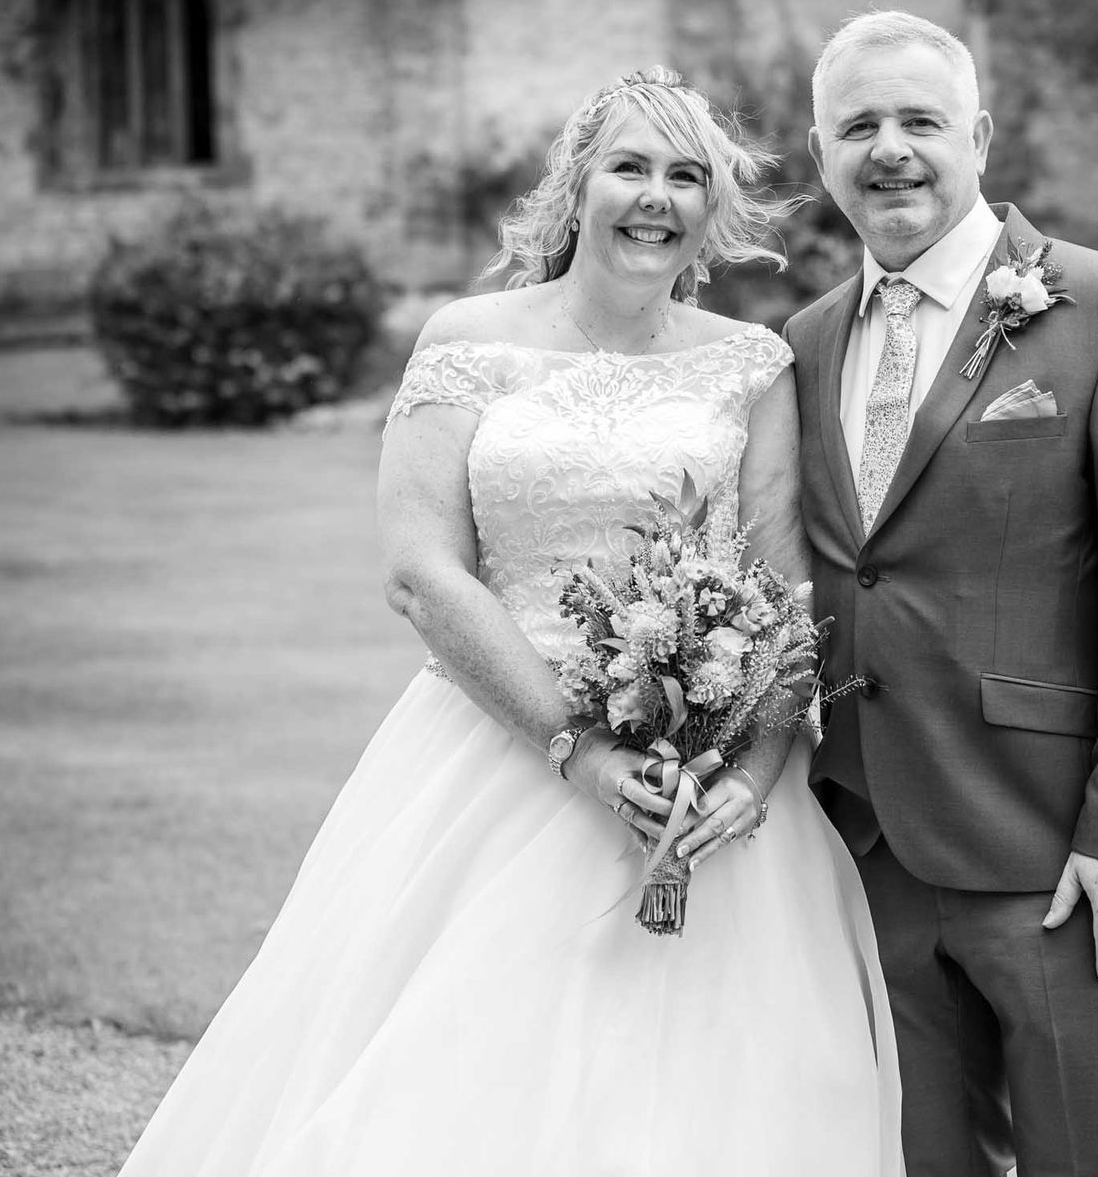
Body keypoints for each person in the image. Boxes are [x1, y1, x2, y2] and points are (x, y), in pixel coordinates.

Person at [119, 68, 903, 1177]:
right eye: (630, 165)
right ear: (577, 181)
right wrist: (575, 748)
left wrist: (753, 772)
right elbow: (422, 571)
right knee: (450, 1075)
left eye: (686, 176)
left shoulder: (751, 362)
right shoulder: (468, 337)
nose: (655, 197)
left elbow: (783, 589)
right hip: (490, 751)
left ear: (710, 207)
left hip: (701, 784)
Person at [785, 11, 1098, 1177]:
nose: (890, 149)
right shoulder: (809, 337)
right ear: (820, 150)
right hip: (866, 840)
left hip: (1048, 849)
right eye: (858, 125)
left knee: (1091, 1158)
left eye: (919, 119)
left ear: (977, 133)